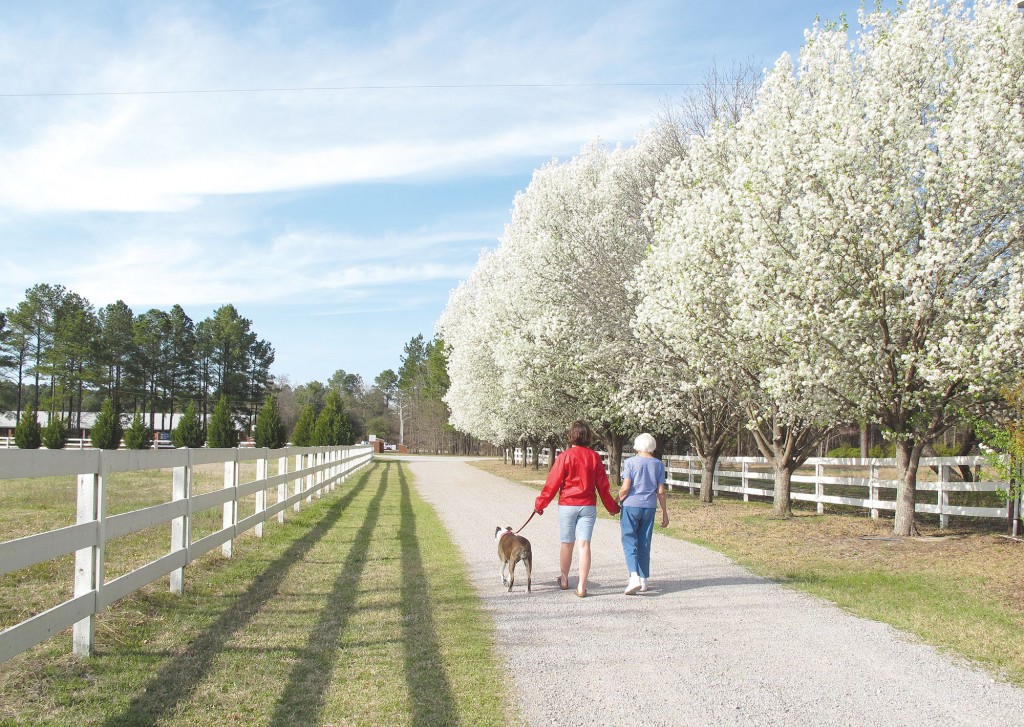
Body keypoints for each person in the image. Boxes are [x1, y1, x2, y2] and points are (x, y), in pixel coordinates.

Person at [534, 420, 620, 598]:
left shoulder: (564, 456)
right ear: (588, 437)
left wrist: (540, 504)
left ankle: (564, 578)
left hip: (567, 504)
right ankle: (582, 585)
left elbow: (552, 484)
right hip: (587, 505)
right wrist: (612, 507)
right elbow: (602, 486)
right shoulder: (594, 457)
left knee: (567, 543)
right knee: (584, 545)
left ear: (571, 435)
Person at [618, 433, 669, 595]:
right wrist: (665, 513)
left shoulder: (631, 462)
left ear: (637, 446)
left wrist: (615, 501)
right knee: (644, 541)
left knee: (629, 540)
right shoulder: (658, 464)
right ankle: (644, 579)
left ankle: (633, 576)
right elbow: (661, 491)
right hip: (649, 506)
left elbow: (626, 487)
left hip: (631, 505)